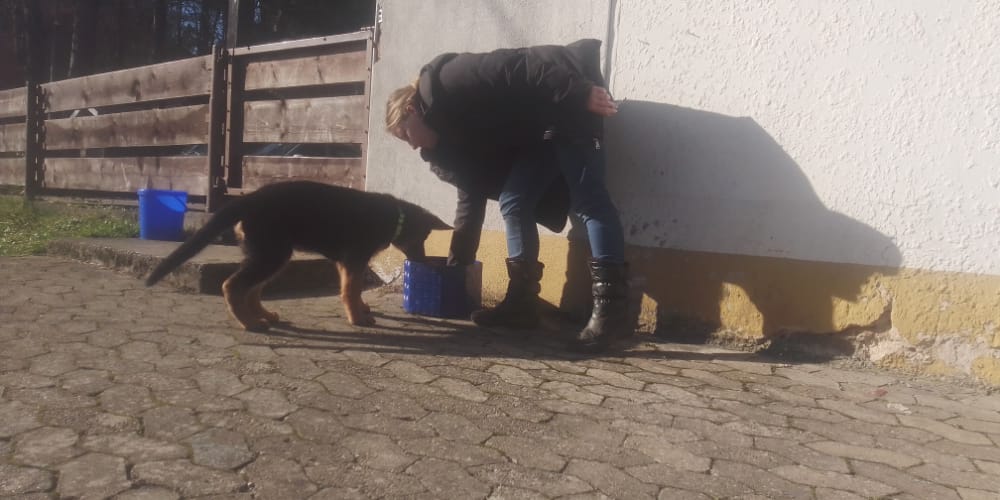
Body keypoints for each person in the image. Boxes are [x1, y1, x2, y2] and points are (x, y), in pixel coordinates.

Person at [385, 39, 630, 352]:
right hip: (544, 127)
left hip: (571, 92)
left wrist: (579, 92)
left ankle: (612, 317)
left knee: (589, 200)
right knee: (514, 201)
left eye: (405, 134)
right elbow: (470, 195)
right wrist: (459, 265)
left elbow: (520, 66)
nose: (411, 146)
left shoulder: (448, 79)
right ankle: (521, 305)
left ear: (411, 110)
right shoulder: (451, 132)